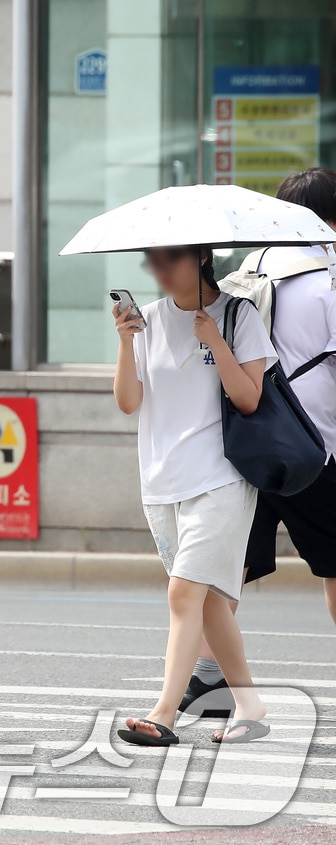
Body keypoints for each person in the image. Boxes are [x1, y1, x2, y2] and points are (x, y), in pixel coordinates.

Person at [184, 168, 336, 715]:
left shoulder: (241, 279)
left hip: (244, 445)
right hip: (314, 448)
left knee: (232, 564)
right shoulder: (328, 285)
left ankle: (206, 674)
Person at [112, 245, 276, 745]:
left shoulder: (236, 314)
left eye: (168, 260)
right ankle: (250, 706)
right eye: (151, 262)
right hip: (162, 482)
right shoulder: (150, 321)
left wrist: (216, 342)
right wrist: (124, 342)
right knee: (207, 605)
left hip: (221, 477)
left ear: (201, 258)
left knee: (185, 592)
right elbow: (128, 403)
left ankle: (164, 713)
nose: (158, 271)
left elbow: (250, 398)